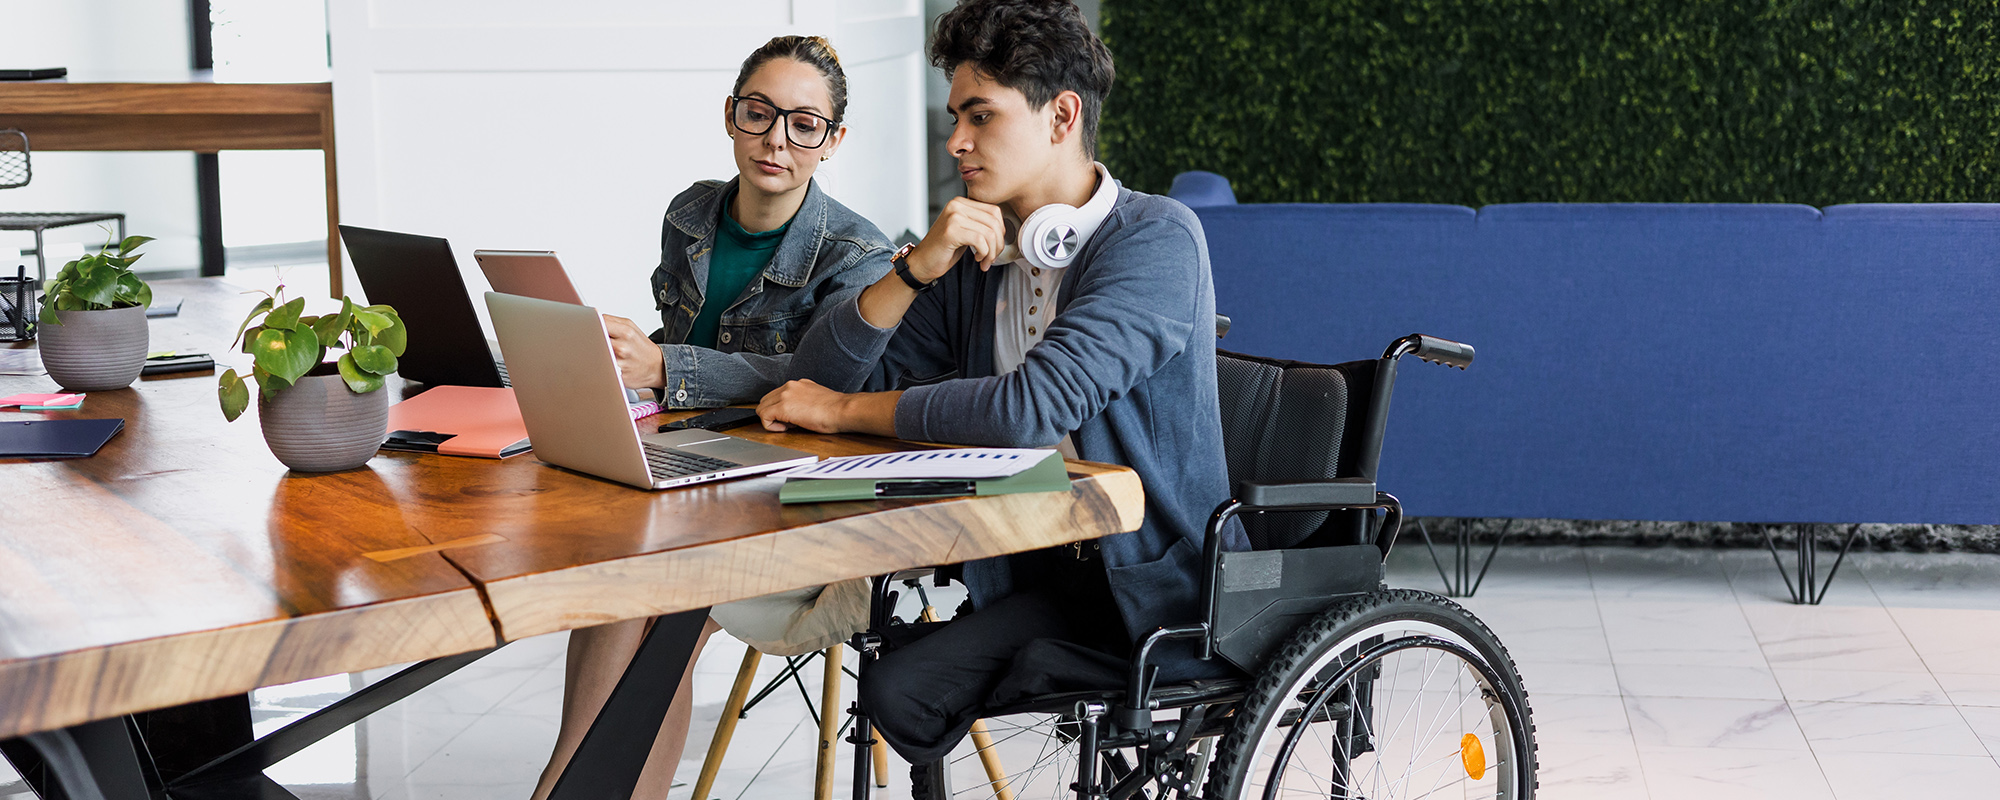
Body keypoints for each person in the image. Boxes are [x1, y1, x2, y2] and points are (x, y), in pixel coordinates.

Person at [756, 0, 1246, 768]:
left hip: (1160, 595)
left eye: (980, 116)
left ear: (1061, 116)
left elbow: (1028, 409)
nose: (956, 140)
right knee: (898, 688)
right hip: (1033, 569)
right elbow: (812, 381)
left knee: (907, 678)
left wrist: (844, 411)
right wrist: (914, 270)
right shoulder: (979, 257)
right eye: (956, 116)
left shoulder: (1156, 239)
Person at [531, 35, 893, 800]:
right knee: (626, 583)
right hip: (686, 468)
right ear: (731, 115)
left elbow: (819, 384)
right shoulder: (691, 213)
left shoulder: (858, 254)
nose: (776, 140)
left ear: (832, 142)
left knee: (647, 596)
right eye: (759, 113)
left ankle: (562, 787)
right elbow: (680, 342)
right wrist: (619, 362)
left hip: (790, 496)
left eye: (804, 124)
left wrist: (667, 367)